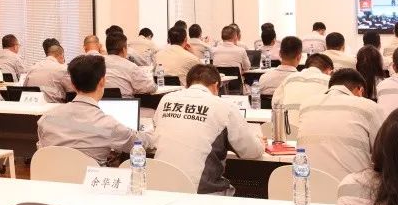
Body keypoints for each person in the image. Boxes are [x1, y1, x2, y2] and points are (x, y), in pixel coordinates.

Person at [153, 64, 263, 194]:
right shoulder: (224, 107)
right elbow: (252, 152)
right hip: (201, 194)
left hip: (158, 188)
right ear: (216, 86)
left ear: (187, 85)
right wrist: (259, 141)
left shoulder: (165, 100)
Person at [36, 55, 155, 165]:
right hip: (90, 180)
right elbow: (139, 143)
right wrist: (153, 134)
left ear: (72, 84)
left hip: (50, 179)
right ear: (102, 81)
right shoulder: (108, 126)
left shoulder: (46, 119)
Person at [297, 69, 384, 183]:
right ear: (360, 90)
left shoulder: (306, 105)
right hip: (351, 188)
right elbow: (383, 152)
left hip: (306, 186)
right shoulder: (369, 106)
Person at [273, 53, 335, 131]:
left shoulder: (289, 78)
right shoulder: (329, 81)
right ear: (329, 71)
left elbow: (275, 104)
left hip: (286, 131)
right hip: (314, 132)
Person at [103, 32, 157, 101]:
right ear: (124, 49)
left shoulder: (97, 63)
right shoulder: (130, 66)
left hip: (100, 105)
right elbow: (149, 87)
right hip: (126, 104)